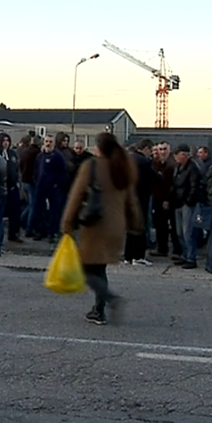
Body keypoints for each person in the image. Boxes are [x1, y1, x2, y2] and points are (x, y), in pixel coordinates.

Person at [61, 132, 142, 326]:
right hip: (116, 225)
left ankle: (110, 299)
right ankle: (98, 310)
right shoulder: (123, 167)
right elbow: (131, 201)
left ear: (99, 148)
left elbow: (76, 196)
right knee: (99, 267)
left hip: (96, 224)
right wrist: (136, 224)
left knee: (85, 269)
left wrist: (67, 223)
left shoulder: (92, 166)